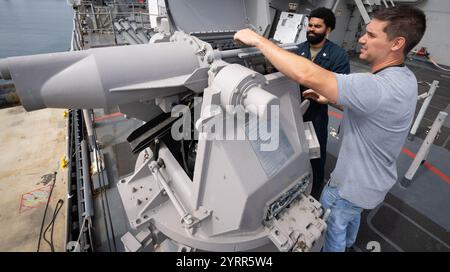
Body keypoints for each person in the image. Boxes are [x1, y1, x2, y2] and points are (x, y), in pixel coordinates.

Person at [234, 6, 426, 252]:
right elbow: (375, 109)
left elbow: (306, 73)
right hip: (372, 185)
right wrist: (332, 99)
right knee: (349, 220)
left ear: (397, 43)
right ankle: (349, 242)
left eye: (372, 35)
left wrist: (257, 40)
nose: (361, 39)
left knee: (331, 235)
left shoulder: (376, 86)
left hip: (348, 188)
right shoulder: (405, 78)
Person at [296, 7, 350, 200]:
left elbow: (340, 90)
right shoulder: (297, 50)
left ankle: (316, 188)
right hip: (292, 108)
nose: (311, 29)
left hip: (316, 113)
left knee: (316, 154)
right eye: (309, 25)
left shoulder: (338, 56)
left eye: (317, 26)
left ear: (328, 30)